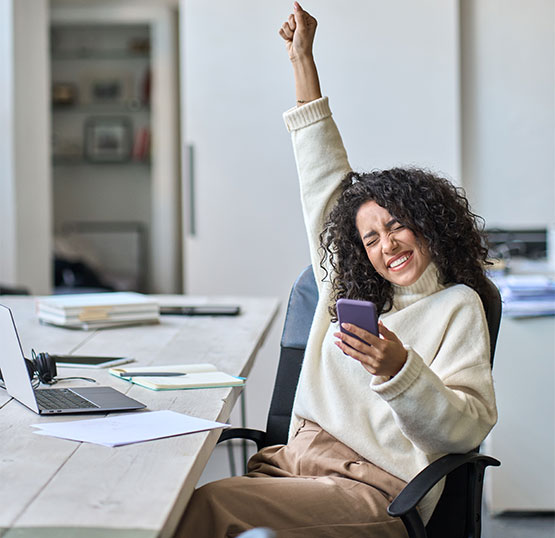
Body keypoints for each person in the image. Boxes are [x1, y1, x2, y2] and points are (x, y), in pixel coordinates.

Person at [174, 3, 497, 537]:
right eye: (370, 237)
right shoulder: (344, 289)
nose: (386, 245)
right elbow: (321, 173)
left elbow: (464, 431)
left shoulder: (458, 306)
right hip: (294, 465)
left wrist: (400, 370)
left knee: (208, 509)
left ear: (428, 225)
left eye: (397, 226)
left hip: (375, 491)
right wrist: (303, 58)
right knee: (189, 506)